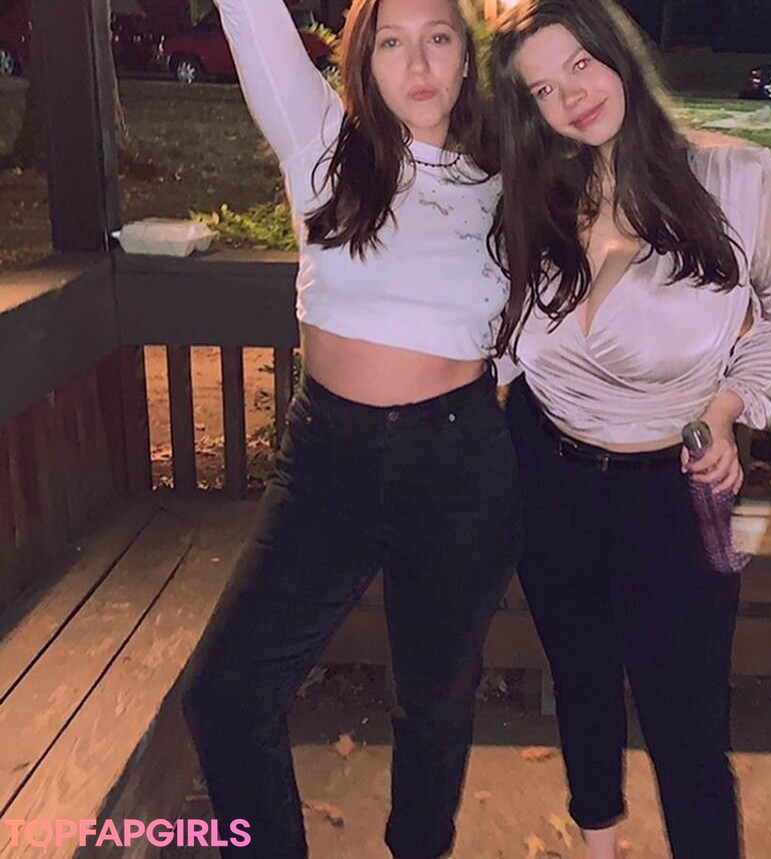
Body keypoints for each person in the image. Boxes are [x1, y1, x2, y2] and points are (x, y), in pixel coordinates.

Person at [180, 1, 521, 857]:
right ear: (362, 61)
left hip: (460, 462)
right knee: (225, 698)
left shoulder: (504, 180)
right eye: (392, 43)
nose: (419, 65)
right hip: (329, 462)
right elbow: (250, 18)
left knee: (436, 701)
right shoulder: (322, 145)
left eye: (438, 38)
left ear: (467, 58)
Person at [487, 2, 771, 857]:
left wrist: (726, 408)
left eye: (580, 65)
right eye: (544, 89)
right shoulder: (532, 200)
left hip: (670, 490)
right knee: (581, 679)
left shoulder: (739, 180)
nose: (572, 97)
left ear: (618, 53)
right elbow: (500, 344)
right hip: (546, 474)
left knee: (688, 723)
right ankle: (597, 844)